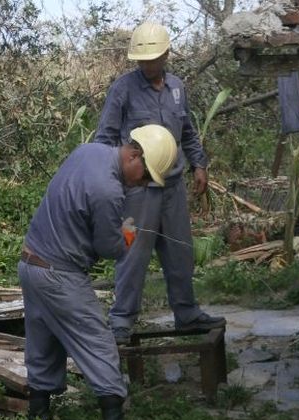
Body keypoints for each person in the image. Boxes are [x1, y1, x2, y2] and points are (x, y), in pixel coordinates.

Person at [19, 124, 177, 420]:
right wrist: (128, 233)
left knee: (45, 342)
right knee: (100, 344)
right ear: (134, 155)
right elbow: (109, 247)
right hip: (58, 275)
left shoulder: (87, 150)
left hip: (30, 263)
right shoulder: (109, 190)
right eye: (145, 176)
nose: (143, 184)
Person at [94, 22, 226, 345]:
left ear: (166, 54)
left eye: (154, 59)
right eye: (143, 61)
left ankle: (186, 313)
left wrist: (200, 165)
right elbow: (105, 139)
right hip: (136, 193)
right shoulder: (122, 90)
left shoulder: (177, 88)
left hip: (172, 189)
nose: (148, 65)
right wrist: (113, 182)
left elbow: (189, 132)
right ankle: (122, 321)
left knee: (180, 252)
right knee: (131, 252)